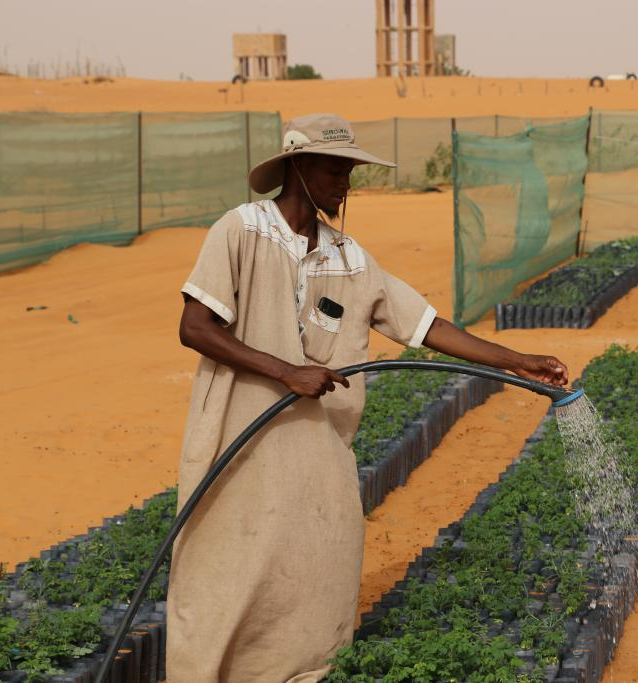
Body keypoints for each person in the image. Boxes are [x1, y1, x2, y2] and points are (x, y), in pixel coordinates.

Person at [166, 113, 569, 682]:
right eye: (335, 170)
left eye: (349, 172)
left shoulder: (348, 257)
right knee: (229, 562)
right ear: (299, 168)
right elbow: (196, 327)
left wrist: (517, 360)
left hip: (315, 443)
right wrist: (287, 370)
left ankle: (298, 671)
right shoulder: (241, 230)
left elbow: (425, 325)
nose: (345, 184)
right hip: (242, 437)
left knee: (321, 559)